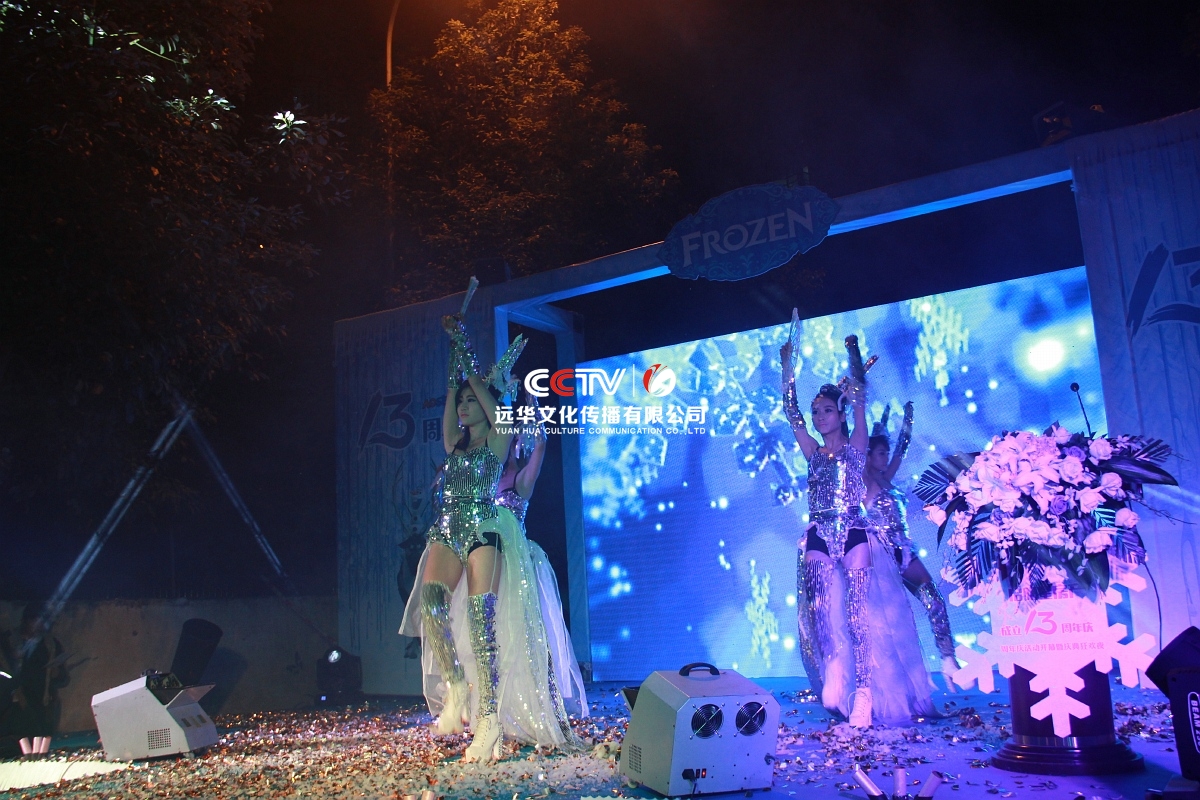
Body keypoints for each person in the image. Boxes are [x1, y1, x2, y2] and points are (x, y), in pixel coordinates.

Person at [399, 317, 577, 761]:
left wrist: (466, 349)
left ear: (484, 404)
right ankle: (457, 685)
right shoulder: (453, 443)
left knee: (483, 623)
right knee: (432, 604)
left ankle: (489, 720)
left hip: (485, 527)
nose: (463, 406)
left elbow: (490, 403)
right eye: (461, 401)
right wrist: (454, 352)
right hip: (447, 527)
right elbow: (450, 393)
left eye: (470, 401)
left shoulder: (499, 438)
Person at [782, 331, 932, 728]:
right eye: (816, 412)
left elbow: (860, 398)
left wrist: (853, 352)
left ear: (841, 413)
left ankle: (864, 692)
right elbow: (791, 413)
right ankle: (835, 673)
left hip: (852, 529)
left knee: (857, 614)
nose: (819, 417)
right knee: (821, 612)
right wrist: (787, 368)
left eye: (826, 410)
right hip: (819, 531)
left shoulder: (855, 446)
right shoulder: (812, 451)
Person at [494, 393, 588, 741]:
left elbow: (542, 445)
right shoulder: (487, 479)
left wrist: (532, 408)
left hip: (518, 564)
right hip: (491, 562)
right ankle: (500, 713)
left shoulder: (521, 480)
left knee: (530, 636)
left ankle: (545, 709)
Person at [863, 403, 960, 683]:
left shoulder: (885, 478)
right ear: (868, 456)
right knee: (892, 617)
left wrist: (907, 422)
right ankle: (895, 676)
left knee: (933, 599)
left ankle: (948, 658)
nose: (886, 458)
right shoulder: (865, 481)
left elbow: (900, 451)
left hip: (904, 551)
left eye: (885, 453)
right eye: (880, 453)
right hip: (880, 556)